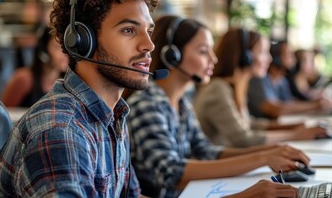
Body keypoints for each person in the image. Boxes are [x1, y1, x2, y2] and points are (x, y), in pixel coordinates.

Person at [0, 0, 159, 197]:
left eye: (149, 31)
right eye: (129, 30)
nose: (149, 45)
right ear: (82, 40)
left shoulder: (112, 117)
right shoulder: (60, 130)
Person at [125, 15, 303, 198]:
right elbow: (172, 174)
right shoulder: (146, 105)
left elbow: (206, 151)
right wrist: (262, 159)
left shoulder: (181, 103)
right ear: (172, 56)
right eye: (203, 51)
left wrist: (269, 152)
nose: (214, 59)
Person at [193, 28, 328, 149]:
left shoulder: (236, 87)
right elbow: (243, 139)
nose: (269, 59)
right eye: (263, 52)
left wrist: (298, 126)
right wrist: (293, 135)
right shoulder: (217, 89)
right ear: (245, 57)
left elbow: (249, 124)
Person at [248, 40, 332, 120]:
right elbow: (275, 109)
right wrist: (314, 105)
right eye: (289, 55)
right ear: (276, 57)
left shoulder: (282, 81)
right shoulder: (259, 79)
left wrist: (318, 103)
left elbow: (290, 103)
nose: (294, 59)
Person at [1, 25, 68, 107]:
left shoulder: (66, 84)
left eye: (66, 47)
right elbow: (2, 116)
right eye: (57, 47)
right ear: (43, 50)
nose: (65, 54)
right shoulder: (24, 79)